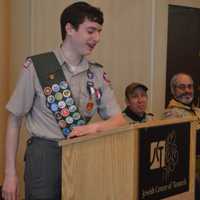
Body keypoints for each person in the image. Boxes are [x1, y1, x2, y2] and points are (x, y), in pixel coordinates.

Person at [2, 2, 126, 200]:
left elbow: (119, 120)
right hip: (44, 156)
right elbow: (14, 120)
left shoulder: (96, 73)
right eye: (91, 31)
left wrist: (91, 129)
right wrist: (9, 174)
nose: (97, 38)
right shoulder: (37, 67)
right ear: (69, 29)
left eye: (99, 32)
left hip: (83, 153)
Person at [163, 72, 200, 199]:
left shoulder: (197, 111)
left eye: (190, 87)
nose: (187, 91)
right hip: (185, 173)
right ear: (173, 90)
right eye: (182, 87)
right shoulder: (171, 114)